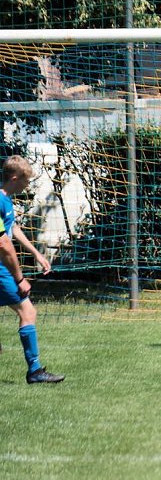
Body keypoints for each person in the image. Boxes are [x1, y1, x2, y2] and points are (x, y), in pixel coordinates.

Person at [0, 155, 64, 383]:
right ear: (14, 178)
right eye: (26, 181)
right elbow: (3, 243)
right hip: (0, 269)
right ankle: (35, 371)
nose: (28, 185)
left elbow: (11, 229)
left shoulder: (5, 201)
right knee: (28, 312)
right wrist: (19, 279)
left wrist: (36, 253)